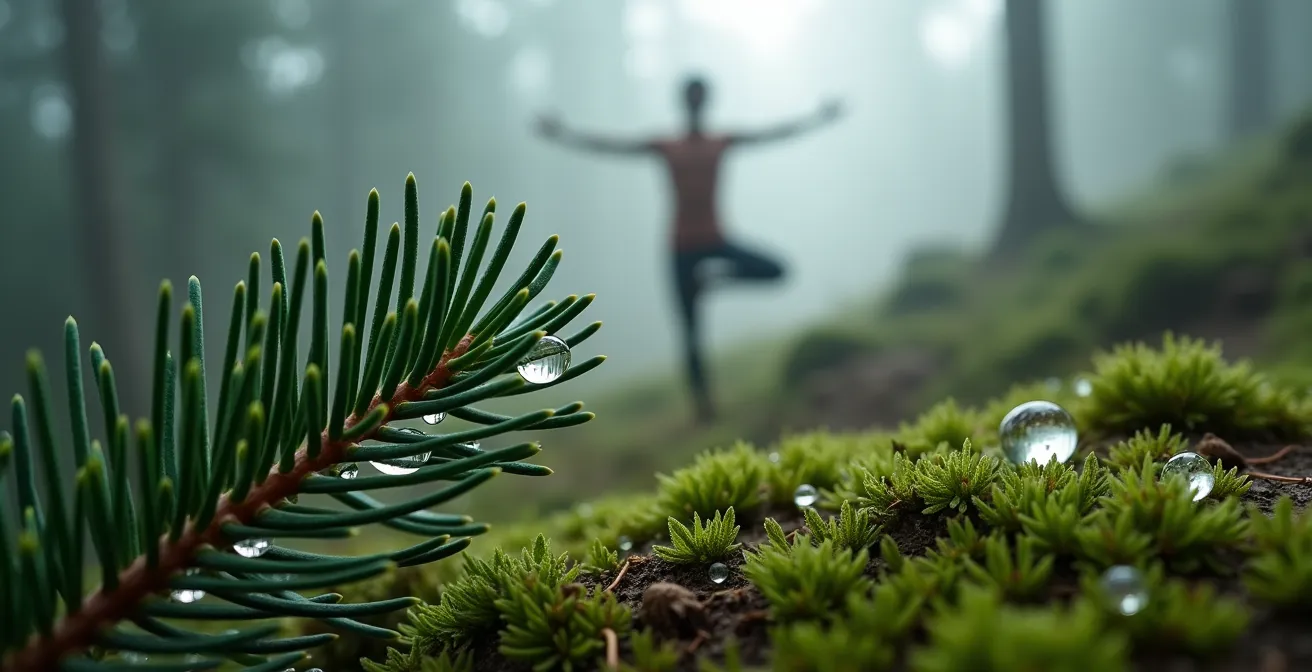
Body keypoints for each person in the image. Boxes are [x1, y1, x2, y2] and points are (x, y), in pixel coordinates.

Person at [535, 75, 843, 423]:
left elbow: (773, 134)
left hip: (715, 240)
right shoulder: (668, 146)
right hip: (681, 248)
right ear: (686, 102)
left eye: (700, 96)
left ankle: (714, 281)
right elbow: (611, 146)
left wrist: (819, 118)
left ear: (704, 101)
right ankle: (704, 408)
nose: (696, 102)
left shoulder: (720, 141)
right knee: (690, 333)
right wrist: (563, 133)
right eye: (692, 96)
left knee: (776, 270)